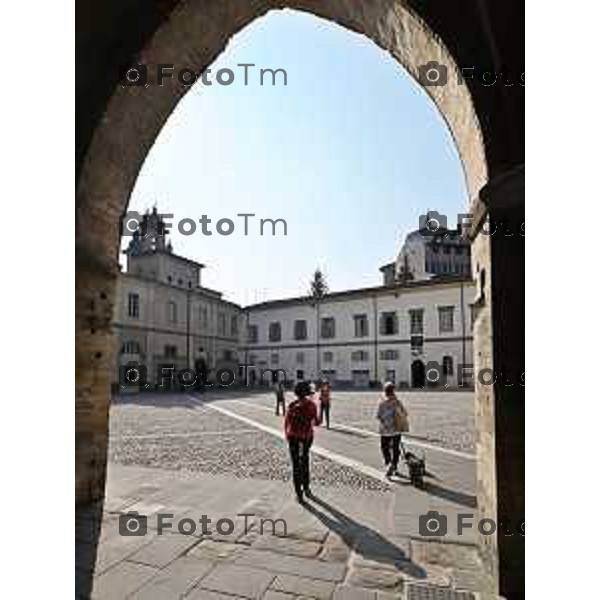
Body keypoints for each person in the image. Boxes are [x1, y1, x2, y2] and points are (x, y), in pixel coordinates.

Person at [284, 380, 321, 502]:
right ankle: (306, 488)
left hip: (293, 437)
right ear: (307, 392)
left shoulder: (292, 405)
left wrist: (288, 435)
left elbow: (287, 423)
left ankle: (298, 493)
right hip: (306, 437)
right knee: (304, 460)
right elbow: (316, 422)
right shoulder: (311, 405)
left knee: (295, 464)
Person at [376, 381, 409, 478]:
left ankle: (388, 463)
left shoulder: (382, 403)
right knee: (395, 449)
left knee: (384, 448)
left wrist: (385, 421)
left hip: (385, 431)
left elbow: (379, 416)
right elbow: (405, 414)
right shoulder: (398, 402)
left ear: (385, 392)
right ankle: (394, 465)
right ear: (393, 391)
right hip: (396, 430)